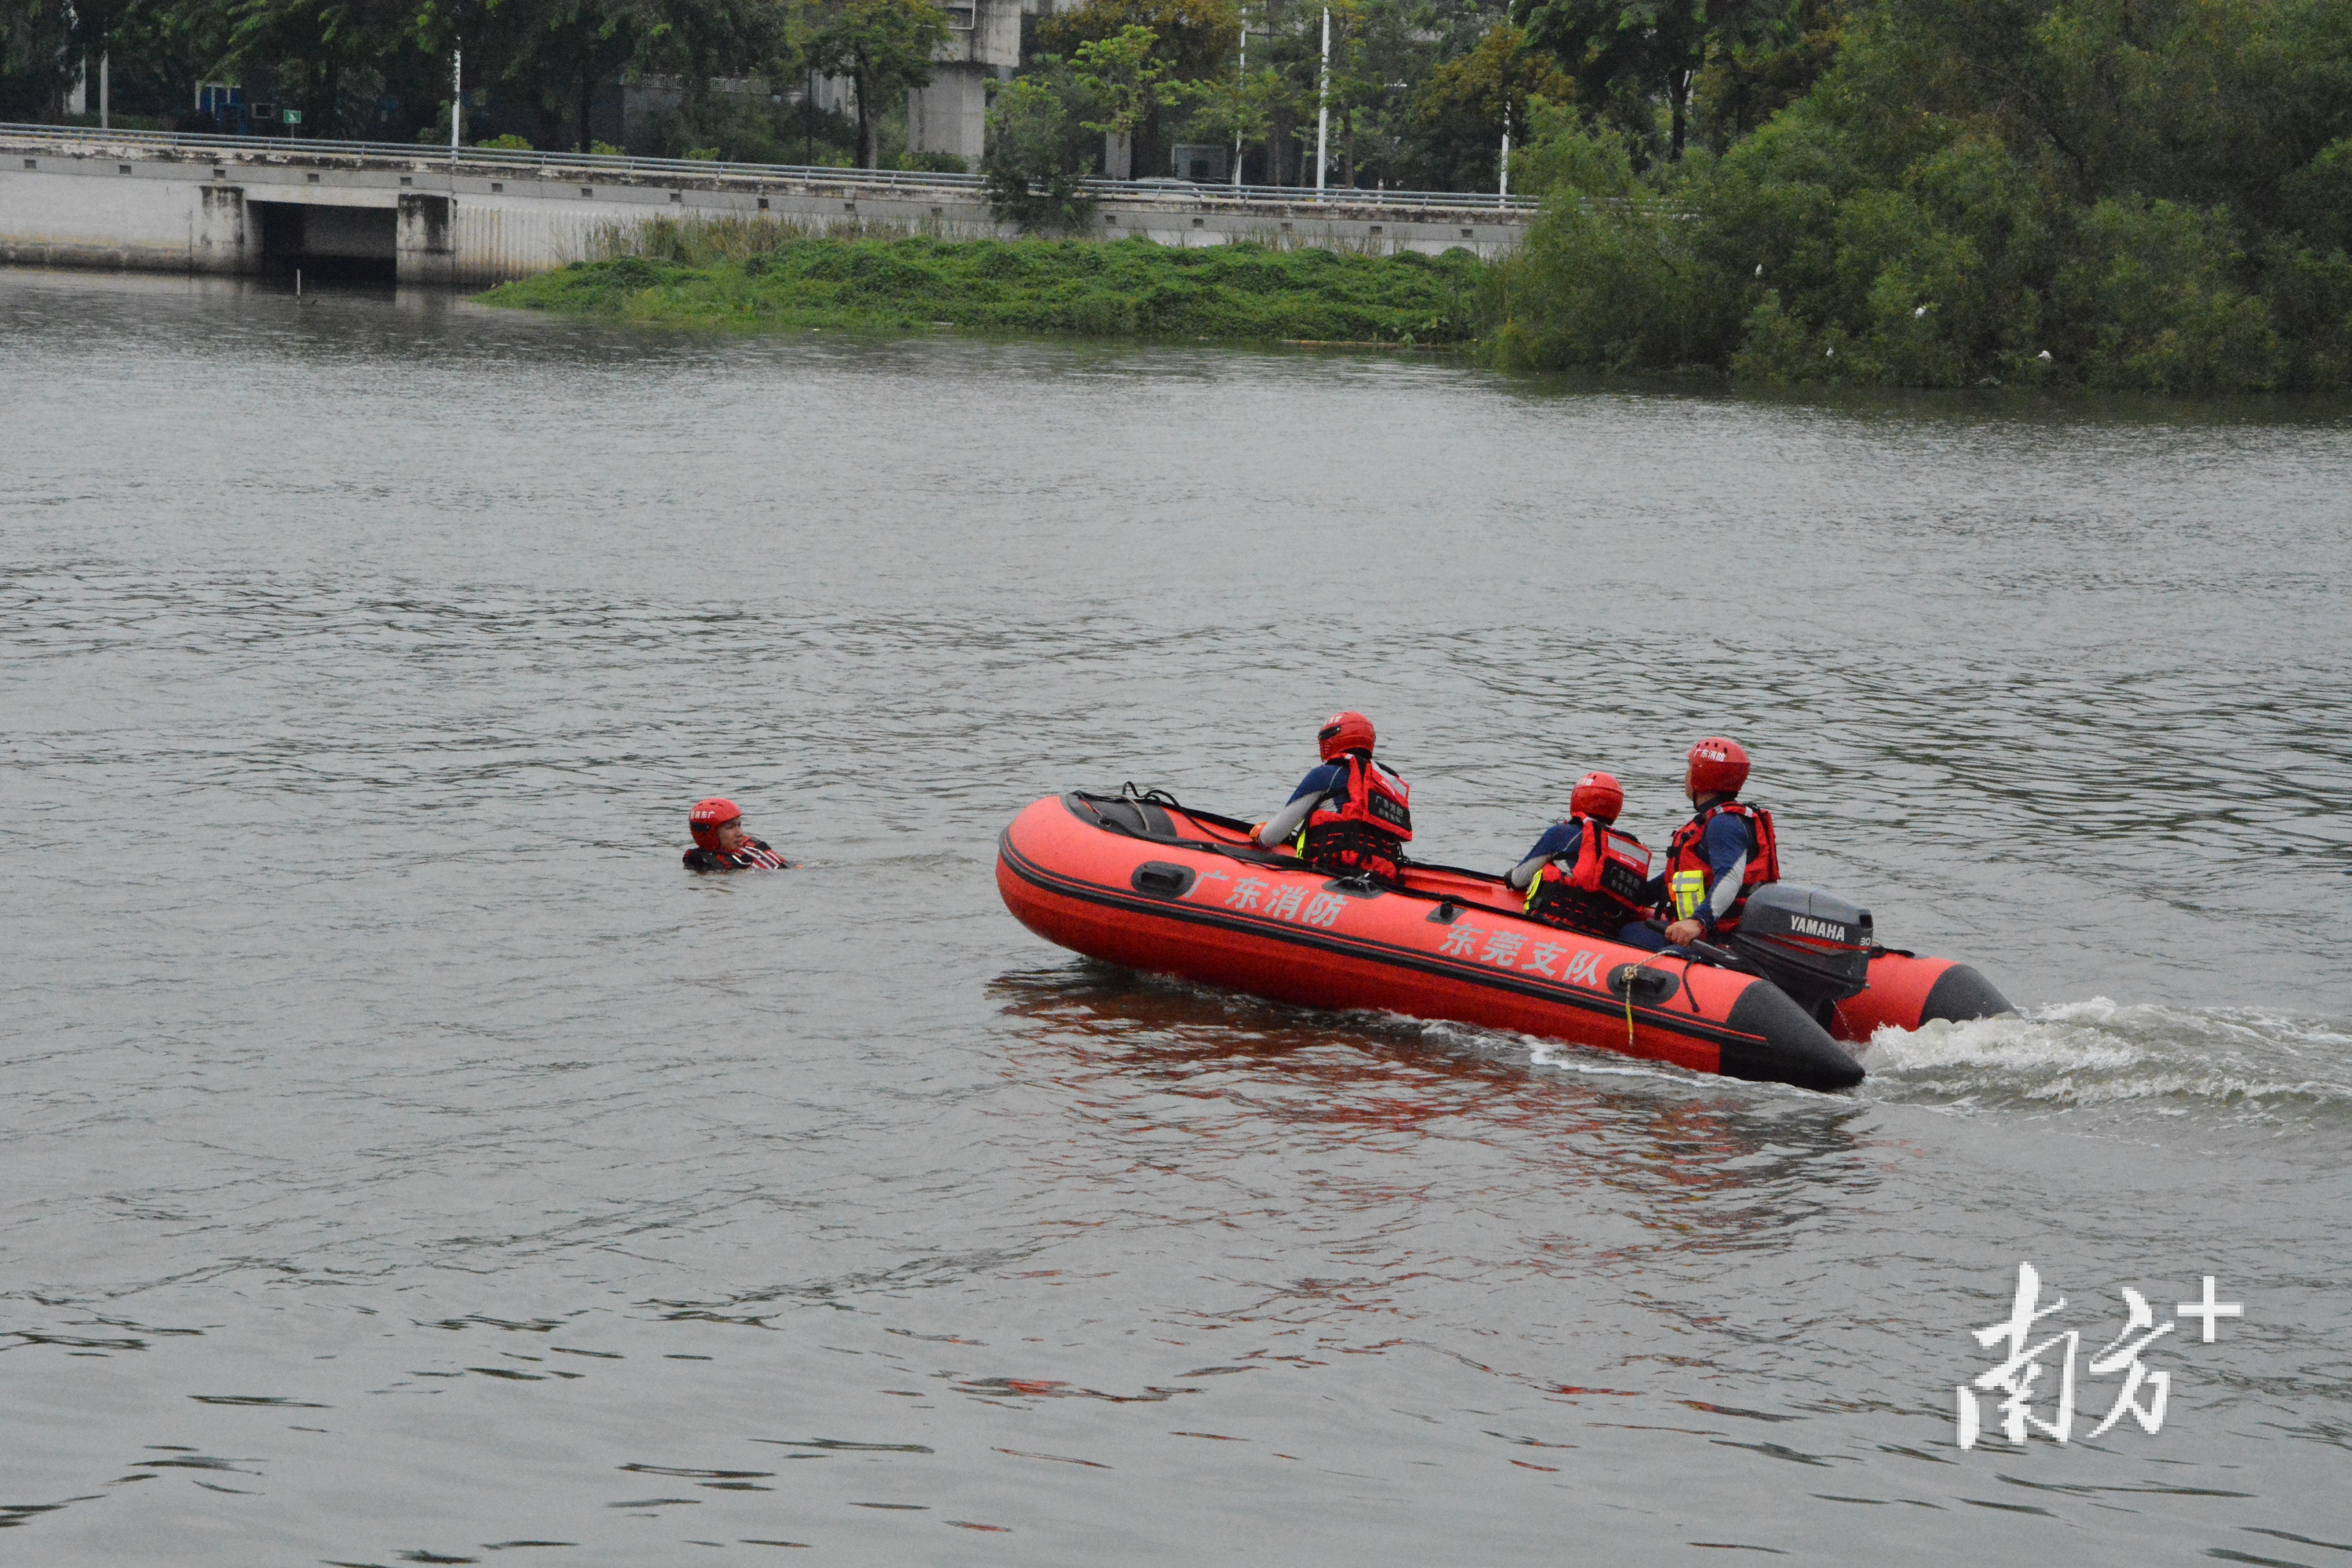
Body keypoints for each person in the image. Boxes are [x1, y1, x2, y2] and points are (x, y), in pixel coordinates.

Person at [1252, 710, 1412, 882]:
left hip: (1332, 871)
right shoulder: (1389, 783)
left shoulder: (1326, 775)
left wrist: (1261, 836)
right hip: (1382, 876)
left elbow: (1271, 838)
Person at [1504, 771, 1657, 943]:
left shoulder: (1562, 834)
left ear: (1578, 798)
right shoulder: (1628, 847)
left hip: (1558, 927)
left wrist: (1510, 876)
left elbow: (1519, 880)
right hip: (1604, 937)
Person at [1656, 737, 1779, 947]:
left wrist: (1698, 922)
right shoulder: (1719, 820)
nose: (1686, 776)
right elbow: (1678, 879)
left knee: (1631, 933)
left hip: (1713, 940)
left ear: (1700, 778)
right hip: (1709, 934)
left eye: (1690, 769)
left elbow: (1730, 878)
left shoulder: (1724, 824)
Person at [682, 797, 790, 871]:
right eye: (730, 828)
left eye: (739, 826)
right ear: (709, 835)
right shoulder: (706, 864)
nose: (740, 833)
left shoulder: (752, 845)